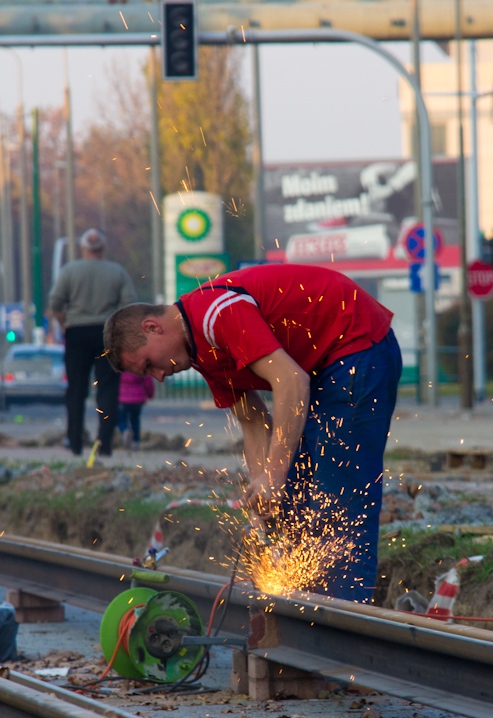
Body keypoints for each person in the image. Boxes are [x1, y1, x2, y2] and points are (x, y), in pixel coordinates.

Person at [103, 263, 402, 603]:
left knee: (338, 503)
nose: (158, 377)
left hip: (356, 344)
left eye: (148, 365)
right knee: (296, 501)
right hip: (323, 364)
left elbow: (290, 381)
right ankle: (307, 610)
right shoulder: (200, 353)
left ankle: (346, 625)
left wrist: (273, 477)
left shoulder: (216, 314)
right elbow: (254, 422)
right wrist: (264, 500)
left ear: (152, 327)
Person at [49, 228, 137, 457]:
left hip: (76, 332)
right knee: (108, 390)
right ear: (103, 249)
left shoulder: (69, 271)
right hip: (107, 332)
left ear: (82, 248)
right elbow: (130, 305)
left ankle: (75, 443)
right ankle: (104, 444)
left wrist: (64, 323)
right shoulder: (116, 272)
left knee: (76, 391)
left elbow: (56, 302)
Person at [117, 372, 155, 451]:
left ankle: (125, 430)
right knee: (135, 420)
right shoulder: (141, 362)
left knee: (121, 418)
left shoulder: (120, 363)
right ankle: (135, 442)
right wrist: (150, 394)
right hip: (138, 398)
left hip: (122, 397)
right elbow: (147, 381)